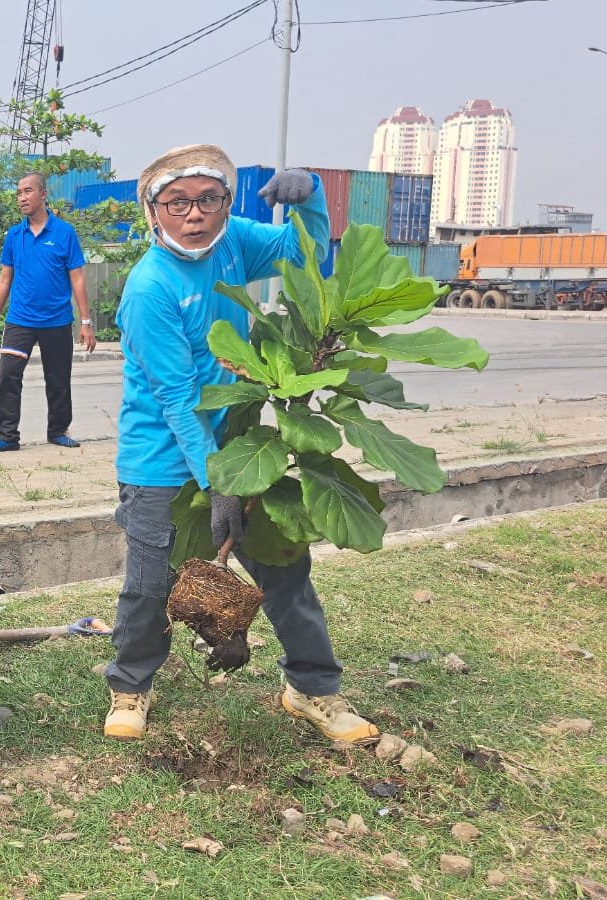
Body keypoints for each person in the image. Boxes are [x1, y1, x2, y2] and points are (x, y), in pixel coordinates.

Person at [101, 144, 379, 746]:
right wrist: (217, 480)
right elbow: (176, 399)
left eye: (208, 199)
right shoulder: (149, 288)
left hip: (242, 444)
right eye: (177, 202)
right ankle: (130, 685)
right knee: (151, 584)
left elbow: (303, 260)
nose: (195, 214)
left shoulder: (233, 242)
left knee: (284, 572)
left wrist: (309, 201)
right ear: (153, 211)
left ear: (226, 204)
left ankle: (313, 687)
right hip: (161, 460)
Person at [0, 172, 95, 452]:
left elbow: (77, 278)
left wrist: (86, 322)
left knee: (58, 379)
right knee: (8, 375)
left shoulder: (64, 233)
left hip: (56, 320)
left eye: (27, 191)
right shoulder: (14, 236)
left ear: (43, 194)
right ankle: (6, 436)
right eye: (18, 193)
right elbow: (5, 279)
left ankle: (57, 431)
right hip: (20, 320)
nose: (22, 198)